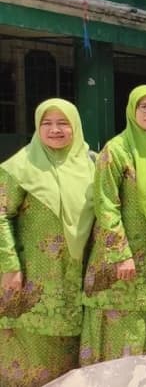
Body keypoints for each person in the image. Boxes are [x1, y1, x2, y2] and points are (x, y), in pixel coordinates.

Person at [80, 85, 146, 365]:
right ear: (132, 110)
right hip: (125, 261)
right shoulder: (116, 151)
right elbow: (106, 205)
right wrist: (120, 254)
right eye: (145, 107)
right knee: (125, 338)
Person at [0, 99, 94, 386]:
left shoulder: (91, 165)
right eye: (47, 123)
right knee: (29, 357)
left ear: (75, 127)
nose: (55, 130)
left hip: (76, 278)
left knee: (70, 358)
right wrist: (9, 266)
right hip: (32, 278)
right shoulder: (19, 166)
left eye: (63, 123)